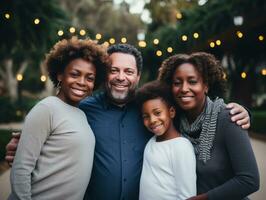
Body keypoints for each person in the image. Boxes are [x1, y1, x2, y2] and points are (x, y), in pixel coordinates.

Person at [6, 44, 251, 200]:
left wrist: (237, 110)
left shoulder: (153, 111)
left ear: (137, 76)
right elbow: (52, 126)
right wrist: (23, 144)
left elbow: (192, 107)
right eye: (114, 70)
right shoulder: (83, 109)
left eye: (129, 72)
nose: (121, 77)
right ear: (104, 75)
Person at [8, 36, 110, 200]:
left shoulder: (82, 114)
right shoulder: (47, 108)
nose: (82, 82)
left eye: (89, 78)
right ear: (60, 75)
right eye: (75, 74)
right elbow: (21, 169)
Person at [157, 52, 260, 200]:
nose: (184, 88)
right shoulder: (172, 121)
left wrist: (204, 199)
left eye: (192, 81)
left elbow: (249, 180)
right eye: (177, 82)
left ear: (206, 86)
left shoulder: (228, 117)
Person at [136, 80, 196, 200]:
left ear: (171, 112)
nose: (152, 120)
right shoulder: (151, 141)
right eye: (146, 116)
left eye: (157, 113)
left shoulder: (181, 147)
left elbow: (187, 195)